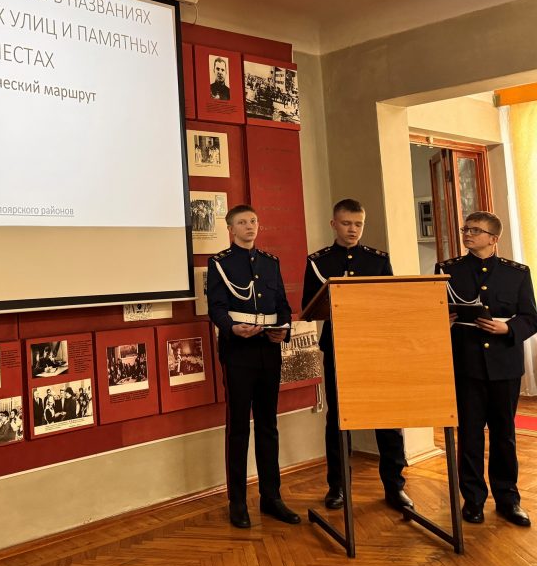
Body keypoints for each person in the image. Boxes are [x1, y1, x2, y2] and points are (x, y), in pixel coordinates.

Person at [302, 198, 411, 511]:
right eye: (347, 223)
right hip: (338, 347)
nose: (353, 229)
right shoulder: (318, 262)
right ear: (334, 224)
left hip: (375, 348)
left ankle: (395, 486)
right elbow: (309, 306)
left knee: (387, 418)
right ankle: (338, 486)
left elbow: (391, 303)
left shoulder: (378, 260)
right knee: (338, 419)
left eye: (358, 224)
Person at [438, 211, 536, 527]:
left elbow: (530, 318)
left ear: (493, 239)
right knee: (469, 435)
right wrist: (439, 320)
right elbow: (432, 311)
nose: (467, 234)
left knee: (504, 435)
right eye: (465, 229)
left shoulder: (517, 273)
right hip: (466, 364)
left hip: (505, 364)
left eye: (475, 230)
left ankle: (508, 499)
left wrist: (508, 329)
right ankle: (473, 500)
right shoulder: (447, 270)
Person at [206, 204, 300, 528]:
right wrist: (232, 328)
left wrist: (284, 329)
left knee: (268, 425)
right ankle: (237, 502)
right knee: (238, 428)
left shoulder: (270, 263)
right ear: (231, 229)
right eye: (243, 222)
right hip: (238, 352)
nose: (250, 226)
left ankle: (271, 497)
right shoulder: (220, 263)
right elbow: (216, 308)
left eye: (254, 221)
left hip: (268, 349)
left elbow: (283, 306)